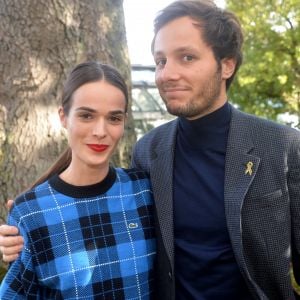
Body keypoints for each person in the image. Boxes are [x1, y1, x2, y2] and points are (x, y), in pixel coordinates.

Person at [1, 0, 300, 299]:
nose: (167, 74)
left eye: (186, 57)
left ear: (226, 65)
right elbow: (106, 208)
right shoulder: (149, 151)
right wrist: (28, 223)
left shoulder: (282, 146)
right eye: (161, 61)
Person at [0, 61, 156, 299]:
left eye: (114, 118)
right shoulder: (30, 213)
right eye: (86, 116)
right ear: (63, 117)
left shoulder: (144, 191)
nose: (100, 131)